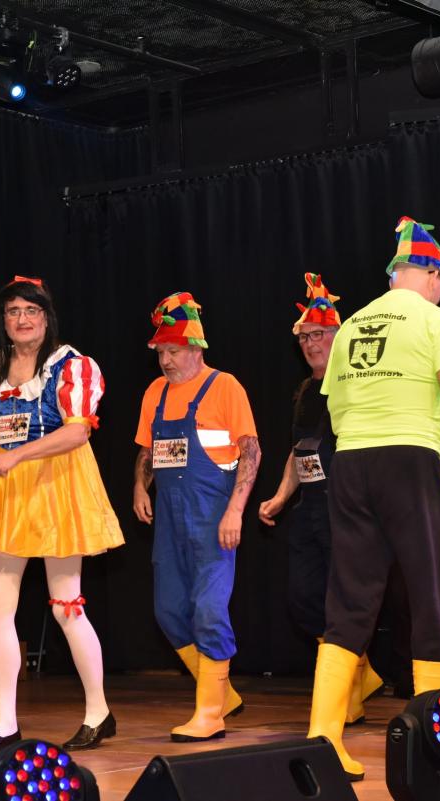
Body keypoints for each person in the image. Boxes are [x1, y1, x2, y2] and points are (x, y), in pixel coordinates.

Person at [306, 217, 440, 782]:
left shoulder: (351, 325)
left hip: (351, 461)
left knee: (349, 599)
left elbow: (333, 406)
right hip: (410, 458)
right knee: (435, 592)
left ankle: (323, 740)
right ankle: (434, 741)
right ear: (433, 275)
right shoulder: (436, 320)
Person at [0, 276, 124, 759]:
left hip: (57, 485)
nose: (22, 319)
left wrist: (18, 456)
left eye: (31, 310)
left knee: (66, 605)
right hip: (8, 491)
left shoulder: (70, 367)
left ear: (46, 318)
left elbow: (77, 433)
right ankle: (5, 723)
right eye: (13, 311)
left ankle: (98, 712)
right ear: (3, 321)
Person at [133, 291, 260, 743]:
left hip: (212, 517)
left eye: (173, 351)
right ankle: (224, 694)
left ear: (196, 349)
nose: (165, 361)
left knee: (209, 609)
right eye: (160, 353)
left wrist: (235, 511)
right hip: (170, 518)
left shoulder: (225, 387)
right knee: (169, 611)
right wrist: (139, 487)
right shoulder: (155, 393)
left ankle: (210, 714)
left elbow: (251, 452)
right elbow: (148, 450)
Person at [258, 273, 384, 723]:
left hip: (345, 507)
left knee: (342, 599)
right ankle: (361, 671)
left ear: (339, 337)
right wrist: (279, 496)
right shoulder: (306, 391)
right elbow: (300, 451)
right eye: (305, 337)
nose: (311, 344)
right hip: (309, 508)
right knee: (303, 597)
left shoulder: (353, 384)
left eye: (319, 335)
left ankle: (348, 694)